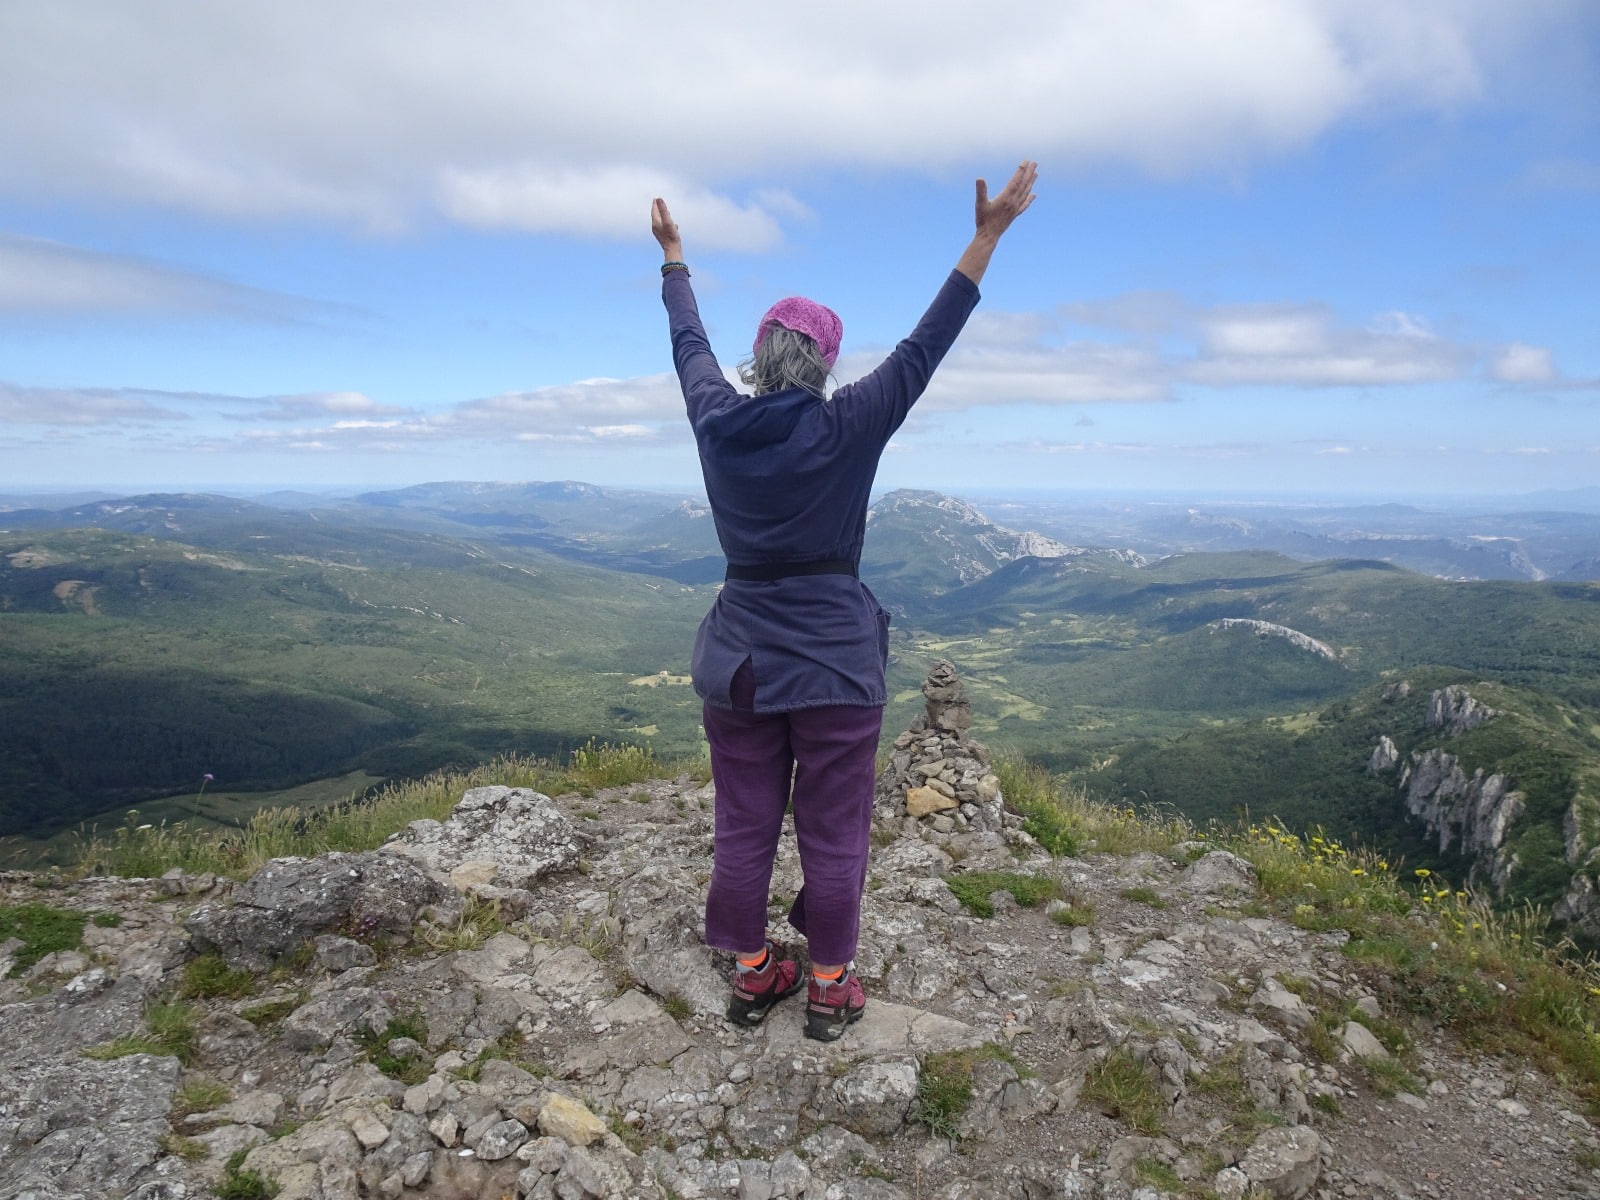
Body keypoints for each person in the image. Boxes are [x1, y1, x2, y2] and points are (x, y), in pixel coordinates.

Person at [651, 161, 1037, 1041]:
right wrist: (988, 235)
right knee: (833, 832)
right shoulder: (849, 421)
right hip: (833, 666)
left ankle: (754, 974)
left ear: (759, 359)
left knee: (743, 823)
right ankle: (828, 986)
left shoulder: (717, 418)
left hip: (742, 666)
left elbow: (689, 349)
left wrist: (675, 262)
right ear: (823, 364)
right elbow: (926, 344)